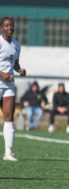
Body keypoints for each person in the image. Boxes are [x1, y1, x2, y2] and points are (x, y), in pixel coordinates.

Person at [0, 17, 26, 161]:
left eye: (12, 25)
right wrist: (2, 74)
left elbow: (15, 63)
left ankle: (8, 153)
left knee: (9, 117)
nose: (10, 27)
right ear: (2, 28)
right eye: (7, 25)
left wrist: (19, 70)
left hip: (9, 84)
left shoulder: (16, 45)